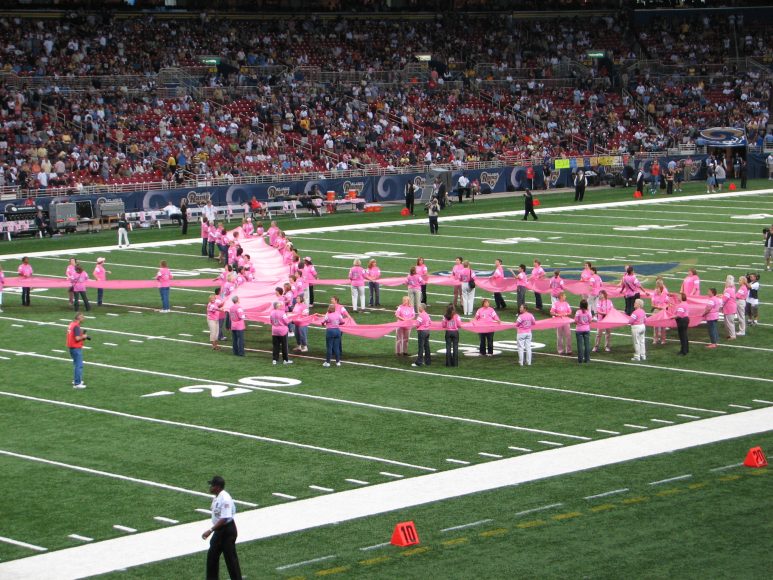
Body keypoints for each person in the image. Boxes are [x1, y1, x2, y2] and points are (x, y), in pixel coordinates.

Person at [202, 475, 242, 580]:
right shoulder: (217, 497)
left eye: (212, 485)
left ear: (218, 487)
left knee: (230, 558)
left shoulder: (225, 498)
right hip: (220, 530)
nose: (210, 487)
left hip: (227, 530)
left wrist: (210, 530)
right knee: (212, 556)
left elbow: (225, 518)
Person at [66, 312, 88, 389]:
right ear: (79, 318)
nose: (84, 318)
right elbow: (77, 338)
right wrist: (83, 336)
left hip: (71, 347)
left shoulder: (71, 324)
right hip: (75, 348)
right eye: (83, 317)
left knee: (76, 365)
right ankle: (77, 383)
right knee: (79, 365)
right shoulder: (76, 326)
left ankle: (76, 380)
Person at [651, 278, 669, 345]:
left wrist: (664, 307)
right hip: (656, 310)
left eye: (660, 285)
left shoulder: (665, 292)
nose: (659, 288)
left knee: (663, 326)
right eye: (658, 286)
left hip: (663, 311)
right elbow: (652, 304)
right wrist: (658, 307)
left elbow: (668, 303)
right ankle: (655, 339)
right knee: (655, 325)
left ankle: (663, 339)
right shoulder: (654, 293)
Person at [574, 299, 592, 364]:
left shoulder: (578, 312)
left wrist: (579, 323)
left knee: (580, 345)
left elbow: (575, 321)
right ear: (586, 305)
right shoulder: (589, 312)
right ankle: (587, 359)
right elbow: (590, 321)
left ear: (580, 305)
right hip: (586, 329)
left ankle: (580, 360)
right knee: (587, 345)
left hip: (579, 330)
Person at [722, 276, 737, 340]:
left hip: (729, 308)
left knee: (729, 322)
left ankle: (732, 336)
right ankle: (730, 334)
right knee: (728, 322)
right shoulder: (732, 289)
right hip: (731, 307)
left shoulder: (728, 290)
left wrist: (720, 303)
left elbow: (725, 299)